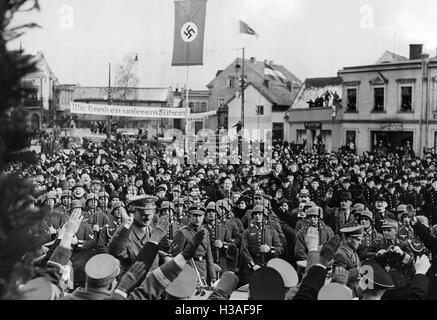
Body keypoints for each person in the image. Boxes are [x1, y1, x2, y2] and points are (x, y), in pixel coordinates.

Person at [169, 203, 216, 286]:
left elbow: (209, 256)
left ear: (203, 217)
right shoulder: (182, 233)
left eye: (200, 216)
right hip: (188, 269)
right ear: (190, 216)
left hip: (202, 270)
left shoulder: (205, 232)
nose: (197, 218)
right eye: (195, 215)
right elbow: (175, 256)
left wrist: (213, 276)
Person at [368, 218, 415, 300]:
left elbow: (411, 261)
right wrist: (377, 255)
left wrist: (402, 253)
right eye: (384, 230)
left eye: (389, 230)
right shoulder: (376, 243)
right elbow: (365, 256)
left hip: (398, 284)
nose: (386, 233)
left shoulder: (402, 244)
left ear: (396, 231)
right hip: (381, 284)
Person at [240, 204, 283, 285]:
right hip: (252, 269)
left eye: (260, 214)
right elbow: (244, 250)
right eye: (255, 214)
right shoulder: (247, 231)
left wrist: (270, 249)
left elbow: (280, 249)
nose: (257, 216)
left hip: (268, 267)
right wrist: (253, 265)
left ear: (264, 216)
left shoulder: (272, 231)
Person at [332, 226, 363, 291]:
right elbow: (338, 277)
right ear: (349, 239)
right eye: (358, 240)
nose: (360, 243)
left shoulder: (352, 251)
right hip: (344, 291)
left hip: (353, 290)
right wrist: (357, 271)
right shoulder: (341, 254)